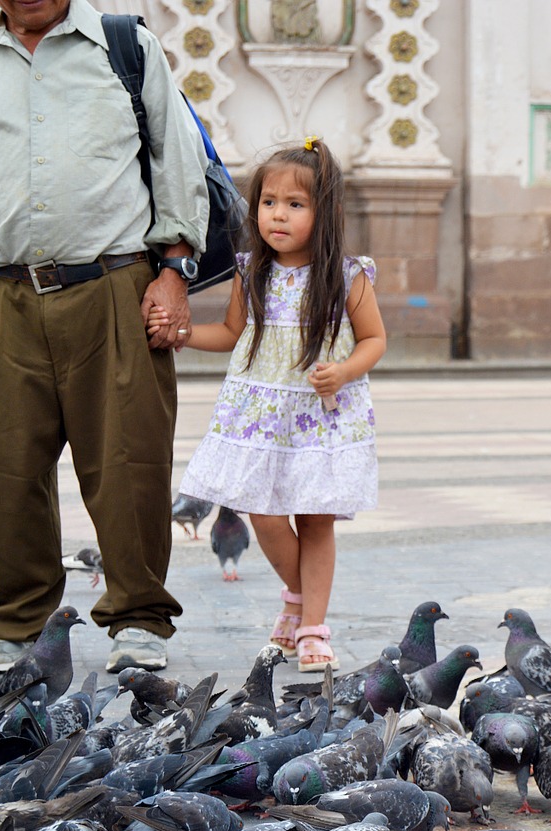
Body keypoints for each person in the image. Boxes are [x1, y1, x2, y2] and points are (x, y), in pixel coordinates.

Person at [0, 0, 208, 673]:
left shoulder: (124, 46)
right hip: (3, 291)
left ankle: (139, 617)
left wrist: (173, 270)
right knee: (5, 466)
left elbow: (177, 156)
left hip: (114, 283)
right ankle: (14, 621)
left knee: (129, 459)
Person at [155, 138, 386, 673]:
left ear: (323, 212)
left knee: (316, 521)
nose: (277, 214)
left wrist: (345, 371)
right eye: (268, 202)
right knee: (262, 512)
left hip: (321, 417)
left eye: (295, 204)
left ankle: (311, 629)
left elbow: (375, 339)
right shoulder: (250, 270)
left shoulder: (347, 277)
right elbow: (234, 332)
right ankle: (298, 598)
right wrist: (184, 334)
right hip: (259, 416)